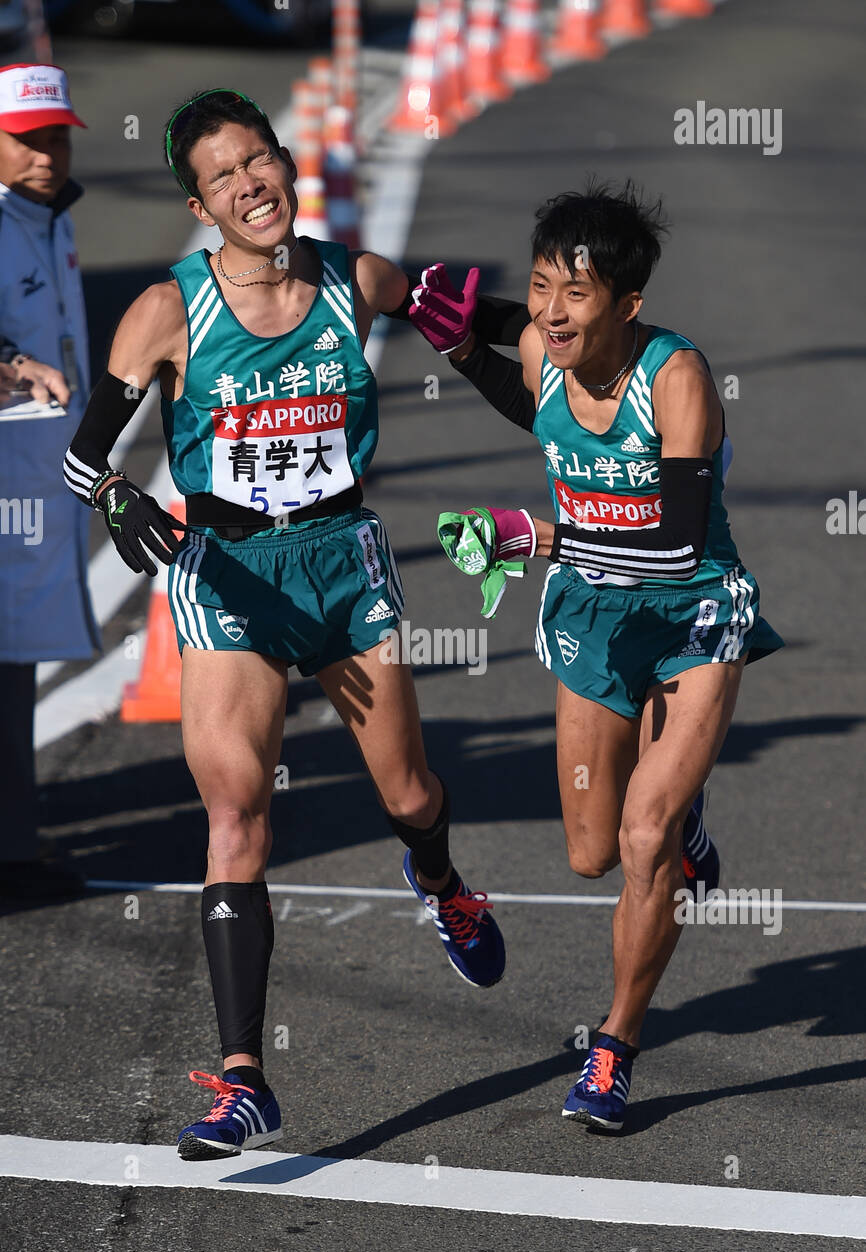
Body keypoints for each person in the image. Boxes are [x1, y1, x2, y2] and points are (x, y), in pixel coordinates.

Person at [62, 88, 511, 1161]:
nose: (249, 184)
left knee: (407, 791)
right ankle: (244, 1080)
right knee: (235, 819)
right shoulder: (168, 310)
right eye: (223, 176)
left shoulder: (354, 280)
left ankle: (441, 885)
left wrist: (546, 372)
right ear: (198, 203)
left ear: (286, 166)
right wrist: (122, 500)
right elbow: (85, 455)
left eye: (259, 160)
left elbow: (471, 333)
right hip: (227, 575)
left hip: (340, 565)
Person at [410, 182, 783, 1131]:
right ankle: (686, 814)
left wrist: (538, 536)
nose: (549, 312)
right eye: (540, 289)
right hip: (593, 612)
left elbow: (678, 543)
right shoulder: (542, 344)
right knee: (587, 852)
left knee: (642, 839)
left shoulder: (679, 379)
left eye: (576, 294)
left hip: (692, 611)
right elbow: (530, 396)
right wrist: (458, 341)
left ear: (628, 305)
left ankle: (613, 1052)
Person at [0, 62, 97, 900]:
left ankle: (19, 842)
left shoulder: (51, 218)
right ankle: (14, 854)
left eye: (55, 136)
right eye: (26, 139)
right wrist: (10, 363)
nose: (45, 154)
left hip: (38, 486)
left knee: (17, 662)